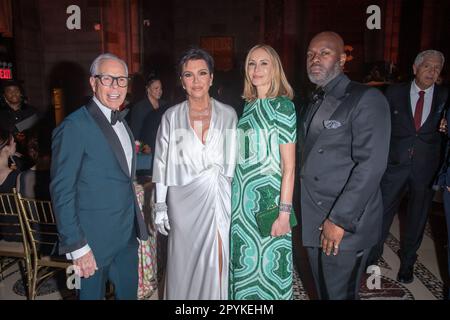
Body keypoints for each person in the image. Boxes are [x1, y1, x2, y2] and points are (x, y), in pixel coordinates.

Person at [299, 31, 390, 300]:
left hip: (343, 224)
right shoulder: (316, 98)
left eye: (324, 53)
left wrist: (338, 221)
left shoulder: (366, 99)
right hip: (315, 218)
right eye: (310, 54)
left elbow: (371, 166)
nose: (315, 59)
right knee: (326, 292)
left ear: (342, 59)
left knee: (340, 295)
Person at [50, 53, 148, 300]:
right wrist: (77, 247)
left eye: (122, 80)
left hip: (126, 237)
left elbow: (123, 171)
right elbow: (62, 191)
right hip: (92, 243)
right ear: (93, 83)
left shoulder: (123, 123)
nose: (116, 87)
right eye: (107, 79)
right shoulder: (74, 126)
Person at [152, 48, 237, 299]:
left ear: (212, 77)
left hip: (216, 198)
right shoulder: (170, 117)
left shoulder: (229, 114)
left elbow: (232, 165)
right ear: (181, 81)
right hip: (181, 202)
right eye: (189, 75)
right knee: (182, 263)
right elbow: (161, 163)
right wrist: (159, 206)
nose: (196, 81)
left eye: (202, 73)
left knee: (216, 262)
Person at [367, 50, 448, 284]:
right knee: (381, 214)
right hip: (394, 165)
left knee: (417, 218)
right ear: (415, 68)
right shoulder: (394, 92)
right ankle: (373, 256)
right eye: (427, 67)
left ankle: (408, 264)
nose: (432, 72)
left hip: (425, 169)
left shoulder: (445, 96)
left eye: (436, 69)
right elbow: (381, 127)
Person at [229, 44, 297, 300]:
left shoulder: (283, 107)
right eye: (251, 63)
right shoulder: (248, 106)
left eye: (263, 63)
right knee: (242, 269)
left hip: (268, 204)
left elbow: (289, 168)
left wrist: (283, 214)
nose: (256, 69)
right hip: (240, 206)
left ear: (275, 68)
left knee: (268, 272)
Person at [129, 74, 167, 155]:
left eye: (161, 88)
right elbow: (135, 133)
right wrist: (143, 148)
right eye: (156, 88)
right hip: (146, 151)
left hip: (162, 149)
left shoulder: (164, 105)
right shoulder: (139, 107)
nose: (159, 91)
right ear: (148, 89)